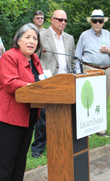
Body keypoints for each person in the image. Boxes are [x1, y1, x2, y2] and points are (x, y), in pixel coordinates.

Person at [0, 23, 43, 181]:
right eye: (27, 37)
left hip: (28, 118)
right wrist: (34, 87)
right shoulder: (9, 56)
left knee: (19, 163)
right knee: (5, 165)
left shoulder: (35, 59)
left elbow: (42, 80)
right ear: (18, 40)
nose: (31, 41)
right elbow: (10, 83)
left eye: (35, 38)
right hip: (8, 119)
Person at [31, 10, 75, 158]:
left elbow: (73, 60)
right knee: (43, 117)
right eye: (60, 19)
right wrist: (38, 78)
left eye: (65, 20)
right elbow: (34, 59)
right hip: (47, 82)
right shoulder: (41, 36)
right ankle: (38, 147)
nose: (63, 22)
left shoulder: (69, 38)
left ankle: (61, 143)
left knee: (63, 116)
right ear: (52, 20)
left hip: (65, 83)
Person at [75, 9, 110, 136]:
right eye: (95, 21)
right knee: (88, 99)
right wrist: (78, 73)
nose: (98, 23)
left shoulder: (108, 35)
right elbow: (77, 56)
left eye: (100, 21)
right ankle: (88, 127)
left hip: (105, 70)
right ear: (91, 22)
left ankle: (100, 128)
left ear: (103, 22)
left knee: (103, 99)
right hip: (89, 69)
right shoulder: (84, 35)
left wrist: (109, 50)